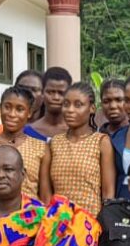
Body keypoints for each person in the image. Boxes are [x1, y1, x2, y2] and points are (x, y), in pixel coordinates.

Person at [43, 82, 116, 216]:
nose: (70, 110)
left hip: (90, 225)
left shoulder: (101, 142)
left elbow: (108, 193)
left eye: (78, 105)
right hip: (57, 225)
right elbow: (46, 192)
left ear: (92, 108)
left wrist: (104, 224)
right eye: (66, 104)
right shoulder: (53, 143)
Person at [0, 86, 48, 197]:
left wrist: (45, 213)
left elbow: (45, 194)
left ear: (29, 113)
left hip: (31, 212)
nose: (12, 114)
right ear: (0, 108)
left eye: (20, 109)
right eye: (7, 107)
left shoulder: (41, 148)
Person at [26, 67, 72, 141]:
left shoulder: (77, 133)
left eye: (61, 93)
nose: (56, 97)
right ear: (42, 93)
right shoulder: (26, 133)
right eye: (50, 92)